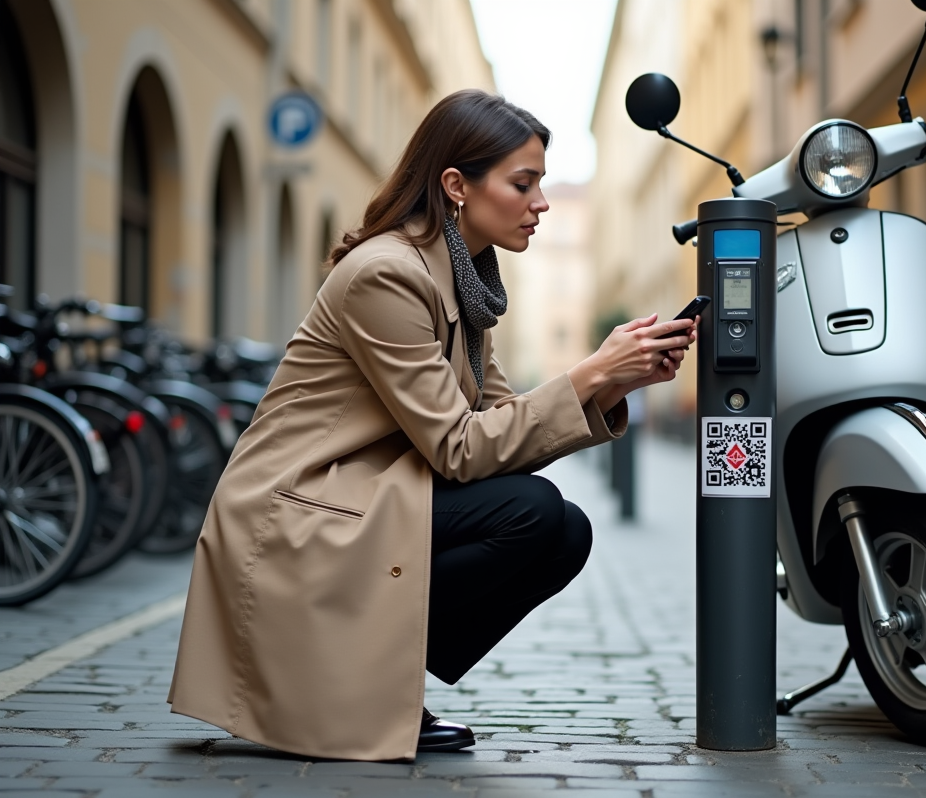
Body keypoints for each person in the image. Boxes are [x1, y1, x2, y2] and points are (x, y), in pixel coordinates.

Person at [167, 90, 696, 762]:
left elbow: (500, 429)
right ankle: (357, 685)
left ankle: (368, 682)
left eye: (540, 184)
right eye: (523, 184)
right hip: (299, 506)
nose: (541, 204)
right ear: (456, 186)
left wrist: (617, 381)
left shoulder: (464, 282)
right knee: (533, 514)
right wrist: (590, 372)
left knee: (566, 531)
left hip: (365, 494)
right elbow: (458, 450)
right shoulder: (386, 275)